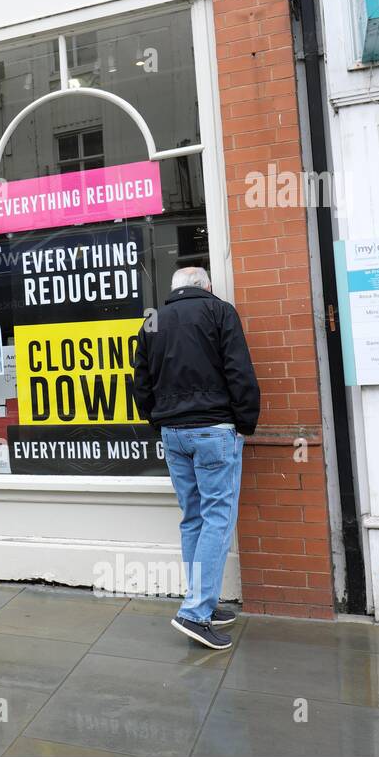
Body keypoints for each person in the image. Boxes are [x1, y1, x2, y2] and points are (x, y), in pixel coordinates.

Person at [133, 267, 260, 650]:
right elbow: (240, 372)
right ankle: (196, 612)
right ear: (206, 287)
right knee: (218, 519)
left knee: (193, 518)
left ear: (175, 290)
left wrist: (157, 420)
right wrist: (245, 423)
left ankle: (200, 600)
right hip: (214, 430)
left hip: (173, 433)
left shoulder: (153, 320)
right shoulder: (220, 312)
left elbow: (140, 380)